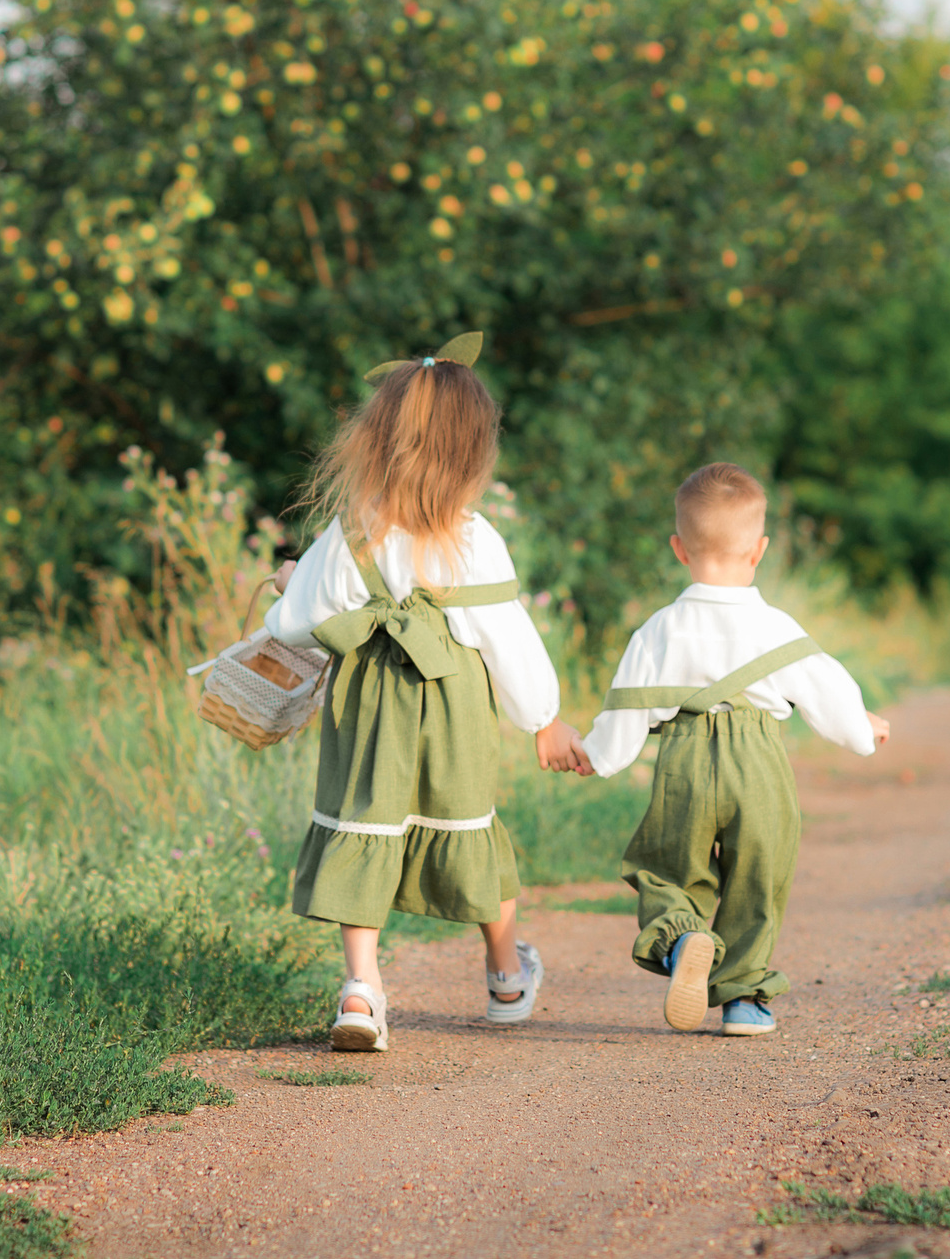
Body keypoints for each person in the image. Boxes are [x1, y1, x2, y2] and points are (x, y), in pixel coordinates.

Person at [264, 332, 592, 1052]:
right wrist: (543, 718)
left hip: (370, 709)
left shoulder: (352, 533)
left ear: (377, 443)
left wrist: (289, 585)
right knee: (472, 829)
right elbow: (508, 637)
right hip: (453, 714)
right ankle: (506, 977)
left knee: (366, 827)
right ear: (473, 453)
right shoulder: (475, 540)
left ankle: (361, 988)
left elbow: (296, 625)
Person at [577, 461, 889, 1038]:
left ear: (679, 548)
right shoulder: (777, 627)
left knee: (668, 869)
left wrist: (595, 755)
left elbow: (626, 711)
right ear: (760, 548)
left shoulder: (658, 629)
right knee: (759, 878)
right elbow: (831, 694)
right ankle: (744, 1000)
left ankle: (684, 941)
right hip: (759, 764)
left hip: (684, 763)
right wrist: (864, 732)